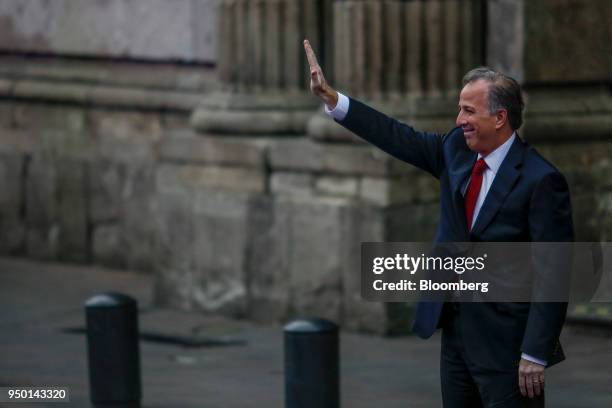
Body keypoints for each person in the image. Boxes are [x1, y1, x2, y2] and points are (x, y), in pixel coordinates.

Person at [303, 39, 573, 408]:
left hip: (508, 348)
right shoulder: (455, 151)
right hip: (457, 338)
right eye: (459, 110)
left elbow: (554, 272)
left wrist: (535, 353)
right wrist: (334, 100)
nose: (459, 120)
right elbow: (396, 135)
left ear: (499, 117)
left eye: (468, 110)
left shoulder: (541, 180)